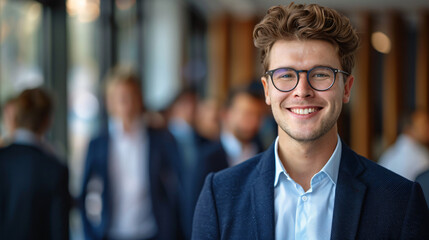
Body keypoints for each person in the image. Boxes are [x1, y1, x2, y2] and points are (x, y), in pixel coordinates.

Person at [192, 3, 429, 240]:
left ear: (346, 88)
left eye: (321, 74)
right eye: (285, 75)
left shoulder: (399, 201)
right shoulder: (220, 195)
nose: (302, 91)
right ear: (267, 90)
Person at [80, 66, 182, 240]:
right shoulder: (98, 144)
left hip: (152, 232)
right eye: (120, 98)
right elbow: (84, 193)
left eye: (131, 96)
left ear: (140, 99)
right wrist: (90, 233)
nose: (126, 103)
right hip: (109, 232)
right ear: (109, 102)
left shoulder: (160, 140)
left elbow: (177, 187)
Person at [0, 87, 70, 240]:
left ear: (15, 117)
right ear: (48, 121)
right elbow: (59, 231)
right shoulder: (55, 168)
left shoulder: (3, 158)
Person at [219, 84, 266, 167]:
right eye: (247, 114)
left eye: (258, 115)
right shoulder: (206, 158)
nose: (254, 121)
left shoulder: (264, 154)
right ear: (227, 114)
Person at [378, 110, 429, 180]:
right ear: (408, 129)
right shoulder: (419, 156)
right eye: (424, 124)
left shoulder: (390, 152)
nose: (427, 128)